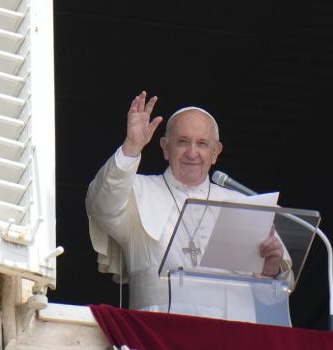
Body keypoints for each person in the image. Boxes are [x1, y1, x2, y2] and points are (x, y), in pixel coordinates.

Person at [86, 91, 291, 320]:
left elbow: (272, 294)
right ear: (165, 147)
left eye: (202, 144)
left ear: (215, 152)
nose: (192, 153)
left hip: (232, 336)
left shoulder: (242, 204)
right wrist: (131, 147)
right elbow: (102, 205)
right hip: (156, 333)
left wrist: (271, 269)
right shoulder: (137, 191)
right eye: (183, 142)